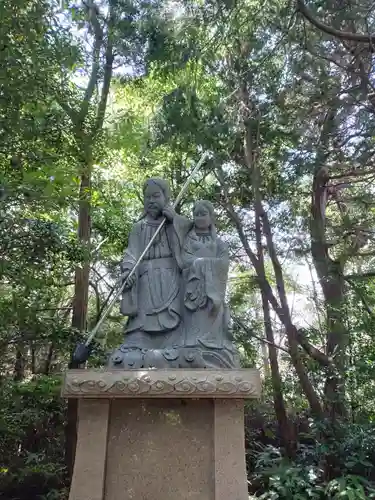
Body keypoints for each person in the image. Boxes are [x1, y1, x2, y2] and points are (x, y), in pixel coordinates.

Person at [115, 178, 182, 359]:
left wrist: (174, 221)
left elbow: (188, 247)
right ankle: (139, 340)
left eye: (156, 196)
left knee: (174, 320)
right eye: (147, 197)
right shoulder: (138, 227)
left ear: (166, 197)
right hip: (145, 280)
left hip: (170, 279)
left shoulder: (173, 223)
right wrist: (129, 271)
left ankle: (172, 342)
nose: (151, 201)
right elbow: (131, 254)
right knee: (141, 323)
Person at [173, 200, 239, 368]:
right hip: (193, 290)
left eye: (204, 214)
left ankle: (215, 348)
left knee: (213, 317)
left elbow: (223, 263)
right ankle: (191, 347)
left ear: (211, 217)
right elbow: (184, 260)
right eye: (196, 214)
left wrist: (202, 263)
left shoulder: (219, 243)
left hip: (213, 291)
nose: (200, 218)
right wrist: (199, 264)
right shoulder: (188, 241)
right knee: (193, 322)